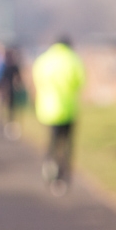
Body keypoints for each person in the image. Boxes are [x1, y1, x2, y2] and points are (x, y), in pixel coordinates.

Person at [32, 34, 86, 193]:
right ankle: (63, 176)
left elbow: (37, 80)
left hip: (47, 109)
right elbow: (80, 82)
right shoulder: (73, 59)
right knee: (67, 144)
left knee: (52, 141)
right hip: (68, 109)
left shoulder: (44, 59)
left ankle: (49, 165)